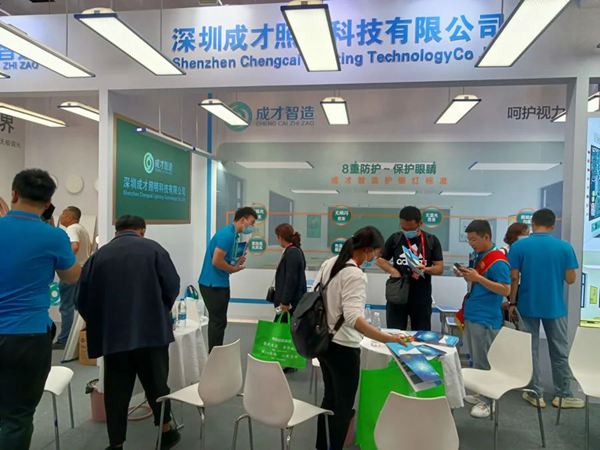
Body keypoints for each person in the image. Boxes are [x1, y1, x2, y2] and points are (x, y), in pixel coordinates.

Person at [77, 215, 182, 450]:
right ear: (142, 230)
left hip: (113, 336)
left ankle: (116, 443)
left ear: (116, 231)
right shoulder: (154, 250)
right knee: (157, 384)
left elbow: (81, 298)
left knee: (116, 391)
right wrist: (159, 311)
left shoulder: (98, 256)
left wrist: (102, 322)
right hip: (152, 333)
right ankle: (165, 433)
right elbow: (172, 286)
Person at [0, 169, 81, 449]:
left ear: (14, 194)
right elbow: (72, 277)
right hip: (28, 337)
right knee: (17, 418)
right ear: (48, 203)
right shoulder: (54, 236)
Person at [314, 226, 408, 450]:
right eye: (376, 252)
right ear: (367, 250)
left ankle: (322, 446)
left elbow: (315, 294)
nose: (375, 257)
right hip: (344, 347)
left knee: (330, 398)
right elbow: (353, 318)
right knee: (343, 406)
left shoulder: (330, 263)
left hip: (323, 341)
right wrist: (386, 338)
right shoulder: (355, 274)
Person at [508, 208, 584, 410]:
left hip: (527, 304)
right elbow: (571, 279)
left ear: (532, 224)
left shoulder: (518, 247)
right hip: (555, 306)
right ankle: (563, 395)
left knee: (531, 350)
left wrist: (512, 303)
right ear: (553, 225)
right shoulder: (564, 247)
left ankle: (536, 393)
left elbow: (514, 278)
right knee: (559, 350)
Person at [455, 220, 511, 419]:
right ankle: (481, 393)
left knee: (485, 360)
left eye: (474, 239)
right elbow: (478, 282)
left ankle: (488, 401)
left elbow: (505, 289)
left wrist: (478, 278)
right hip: (473, 312)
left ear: (486, 237)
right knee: (476, 358)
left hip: (486, 317)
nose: (471, 243)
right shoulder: (479, 256)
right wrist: (466, 275)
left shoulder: (498, 261)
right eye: (469, 240)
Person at [199, 206, 257, 352]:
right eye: (251, 222)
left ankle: (215, 353)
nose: (252, 226)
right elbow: (216, 261)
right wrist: (233, 269)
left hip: (220, 282)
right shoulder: (227, 235)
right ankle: (214, 355)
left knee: (219, 321)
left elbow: (224, 258)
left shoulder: (234, 235)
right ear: (243, 219)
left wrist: (236, 261)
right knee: (217, 322)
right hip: (213, 285)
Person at [376, 206, 444, 331]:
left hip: (421, 296)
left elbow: (439, 268)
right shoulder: (395, 238)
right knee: (394, 332)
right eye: (404, 228)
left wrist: (425, 269)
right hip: (398, 293)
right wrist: (393, 270)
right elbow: (380, 260)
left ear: (420, 224)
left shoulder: (431, 241)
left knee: (421, 334)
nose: (407, 231)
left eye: (411, 229)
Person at [53, 205, 91, 349]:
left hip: (73, 272)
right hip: (83, 271)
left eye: (63, 214)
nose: (61, 216)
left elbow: (74, 246)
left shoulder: (72, 228)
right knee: (76, 306)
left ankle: (64, 340)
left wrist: (65, 262)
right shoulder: (82, 229)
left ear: (69, 217)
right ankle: (72, 339)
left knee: (66, 307)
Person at [273, 223, 307, 317]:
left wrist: (285, 301)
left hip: (290, 303)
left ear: (280, 237)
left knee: (284, 325)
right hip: (289, 302)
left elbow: (291, 279)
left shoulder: (292, 252)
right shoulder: (293, 250)